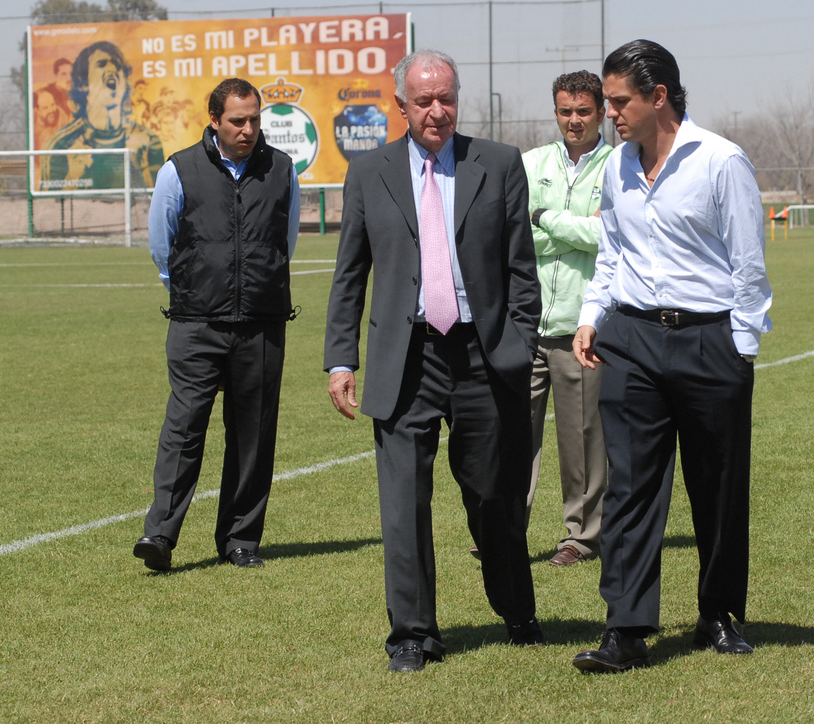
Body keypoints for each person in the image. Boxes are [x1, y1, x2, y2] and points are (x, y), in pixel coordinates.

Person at [323, 49, 544, 673]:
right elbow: (350, 274)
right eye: (424, 101)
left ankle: (516, 609)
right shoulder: (369, 172)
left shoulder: (498, 163)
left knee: (494, 497)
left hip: (484, 355)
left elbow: (521, 268)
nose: (437, 111)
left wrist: (518, 343)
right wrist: (340, 359)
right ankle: (413, 635)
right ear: (402, 106)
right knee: (403, 505)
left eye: (446, 98)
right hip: (405, 358)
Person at [570, 40, 772, 673]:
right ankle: (625, 628)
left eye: (618, 101)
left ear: (658, 97)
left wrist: (740, 348)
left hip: (709, 340)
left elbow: (748, 263)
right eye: (606, 102)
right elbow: (612, 252)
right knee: (629, 489)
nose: (608, 114)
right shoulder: (615, 167)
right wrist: (591, 316)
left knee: (717, 484)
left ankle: (719, 613)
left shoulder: (720, 161)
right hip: (631, 340)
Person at [133, 78, 300, 573]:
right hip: (195, 322)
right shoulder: (179, 169)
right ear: (214, 120)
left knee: (253, 435)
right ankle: (160, 535)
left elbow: (285, 241)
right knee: (183, 429)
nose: (248, 129)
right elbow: (161, 244)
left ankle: (240, 540)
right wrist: (189, 289)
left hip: (262, 323)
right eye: (237, 121)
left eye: (254, 120)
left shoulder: (282, 169)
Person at [521, 70, 612, 567]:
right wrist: (574, 230)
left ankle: (581, 536)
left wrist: (546, 218)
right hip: (525, 322)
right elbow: (514, 232)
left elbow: (609, 237)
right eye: (565, 111)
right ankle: (505, 527)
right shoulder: (532, 163)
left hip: (583, 327)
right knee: (513, 433)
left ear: (601, 112)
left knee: (582, 439)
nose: (573, 120)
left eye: (583, 111)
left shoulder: (619, 166)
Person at [41, 41, 164, 190]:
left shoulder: (149, 140)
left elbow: (160, 197)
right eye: (102, 64)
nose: (112, 69)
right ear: (83, 83)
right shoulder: (59, 145)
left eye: (118, 66)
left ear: (125, 82)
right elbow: (48, 201)